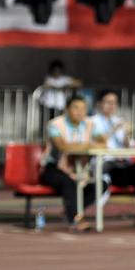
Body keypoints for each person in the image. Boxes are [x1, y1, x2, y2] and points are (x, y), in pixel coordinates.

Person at [90, 90, 135, 230]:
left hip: (121, 165)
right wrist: (114, 129)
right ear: (100, 104)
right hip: (105, 166)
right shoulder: (92, 122)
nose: (111, 106)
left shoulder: (119, 120)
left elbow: (129, 147)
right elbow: (99, 141)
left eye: (114, 103)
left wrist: (127, 135)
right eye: (108, 102)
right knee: (113, 170)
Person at [39, 95, 97, 232]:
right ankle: (76, 219)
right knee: (68, 183)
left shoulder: (90, 124)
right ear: (67, 109)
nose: (80, 112)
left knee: (100, 184)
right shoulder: (55, 124)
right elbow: (62, 146)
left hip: (80, 170)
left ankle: (70, 209)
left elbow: (103, 143)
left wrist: (82, 146)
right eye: (76, 108)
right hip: (53, 169)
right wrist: (87, 145)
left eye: (83, 108)